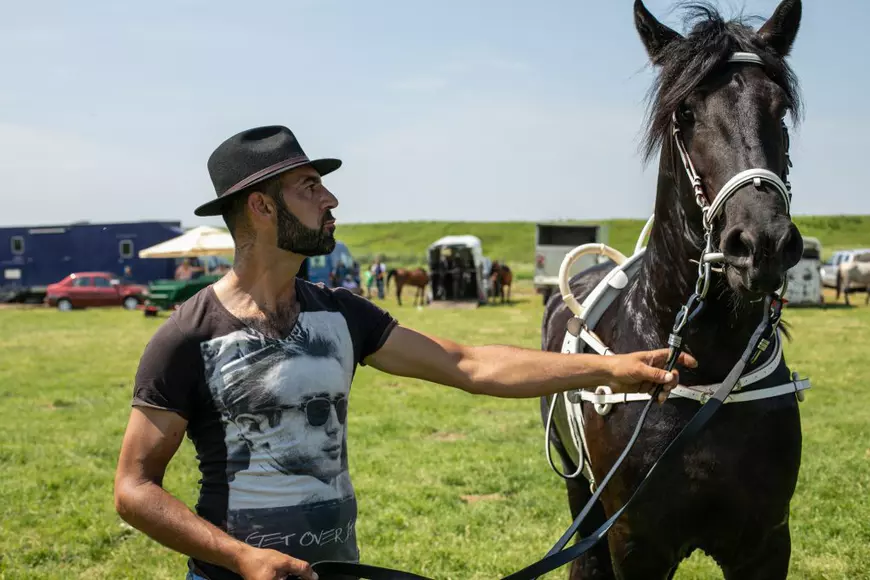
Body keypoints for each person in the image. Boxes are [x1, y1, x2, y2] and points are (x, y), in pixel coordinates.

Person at [113, 125, 696, 580]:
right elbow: (135, 488)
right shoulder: (189, 337)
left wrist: (611, 367)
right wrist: (241, 557)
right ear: (262, 208)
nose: (331, 198)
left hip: (335, 571)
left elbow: (466, 364)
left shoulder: (341, 314)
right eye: (310, 187)